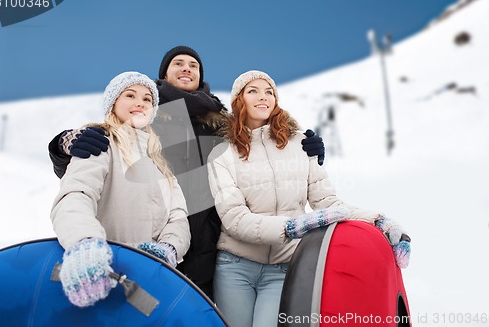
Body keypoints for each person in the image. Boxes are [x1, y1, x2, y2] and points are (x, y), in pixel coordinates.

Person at [47, 46, 326, 300]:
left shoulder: (223, 123)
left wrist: (302, 145)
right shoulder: (148, 116)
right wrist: (63, 144)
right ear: (163, 75)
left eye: (193, 65)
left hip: (209, 240)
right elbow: (88, 174)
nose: (186, 68)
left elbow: (259, 150)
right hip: (149, 237)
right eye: (178, 63)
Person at [207, 70, 411, 327]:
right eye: (253, 91)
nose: (263, 97)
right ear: (239, 100)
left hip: (283, 267)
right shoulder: (221, 154)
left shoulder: (301, 145)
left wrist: (379, 221)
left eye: (269, 92)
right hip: (234, 267)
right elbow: (234, 218)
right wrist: (291, 227)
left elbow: (327, 203)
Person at [50, 72, 190, 308]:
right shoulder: (99, 144)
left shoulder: (160, 163)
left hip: (147, 282)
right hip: (101, 271)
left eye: (147, 99)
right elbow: (75, 195)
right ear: (113, 103)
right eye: (130, 95)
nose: (140, 103)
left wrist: (168, 248)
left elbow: (178, 216)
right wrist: (84, 242)